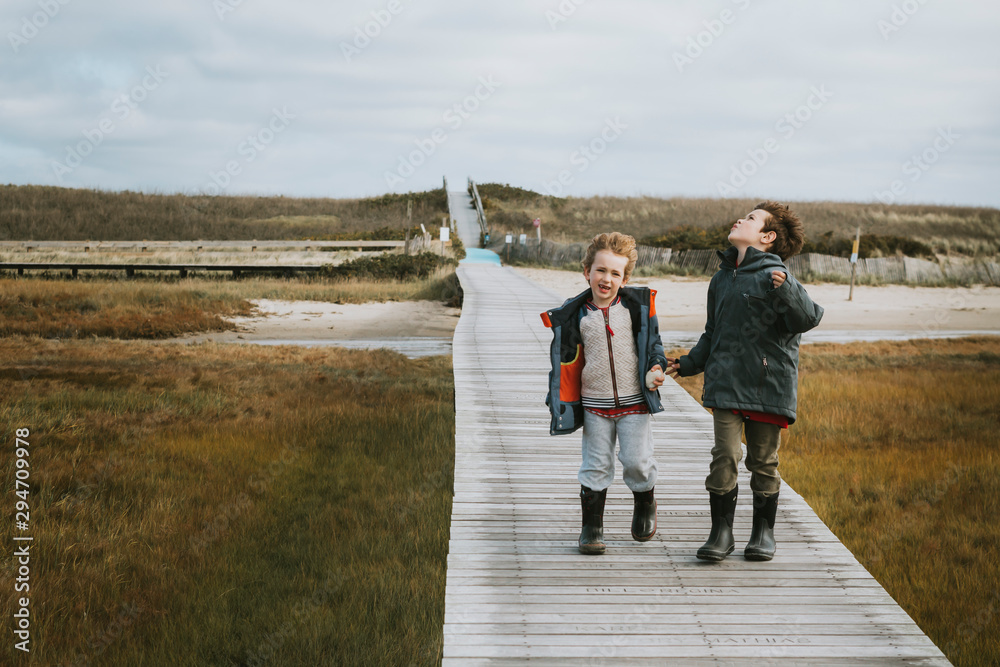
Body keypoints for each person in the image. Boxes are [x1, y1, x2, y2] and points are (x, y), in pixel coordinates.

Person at [665, 202, 823, 562]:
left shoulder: (777, 275)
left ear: (767, 237)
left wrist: (788, 290)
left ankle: (763, 534)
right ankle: (721, 534)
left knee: (763, 461)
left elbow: (807, 319)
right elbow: (712, 332)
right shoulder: (721, 279)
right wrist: (688, 363)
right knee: (725, 456)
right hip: (725, 384)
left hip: (768, 386)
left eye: (751, 218)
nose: (740, 219)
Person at [541, 232, 668, 555]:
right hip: (594, 405)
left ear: (625, 279)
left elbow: (654, 346)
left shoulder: (636, 309)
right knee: (595, 465)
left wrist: (656, 367)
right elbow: (564, 362)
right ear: (587, 272)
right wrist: (558, 397)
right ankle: (592, 527)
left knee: (637, 462)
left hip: (635, 403)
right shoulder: (576, 315)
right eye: (600, 270)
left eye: (615, 273)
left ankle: (645, 501)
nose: (606, 279)